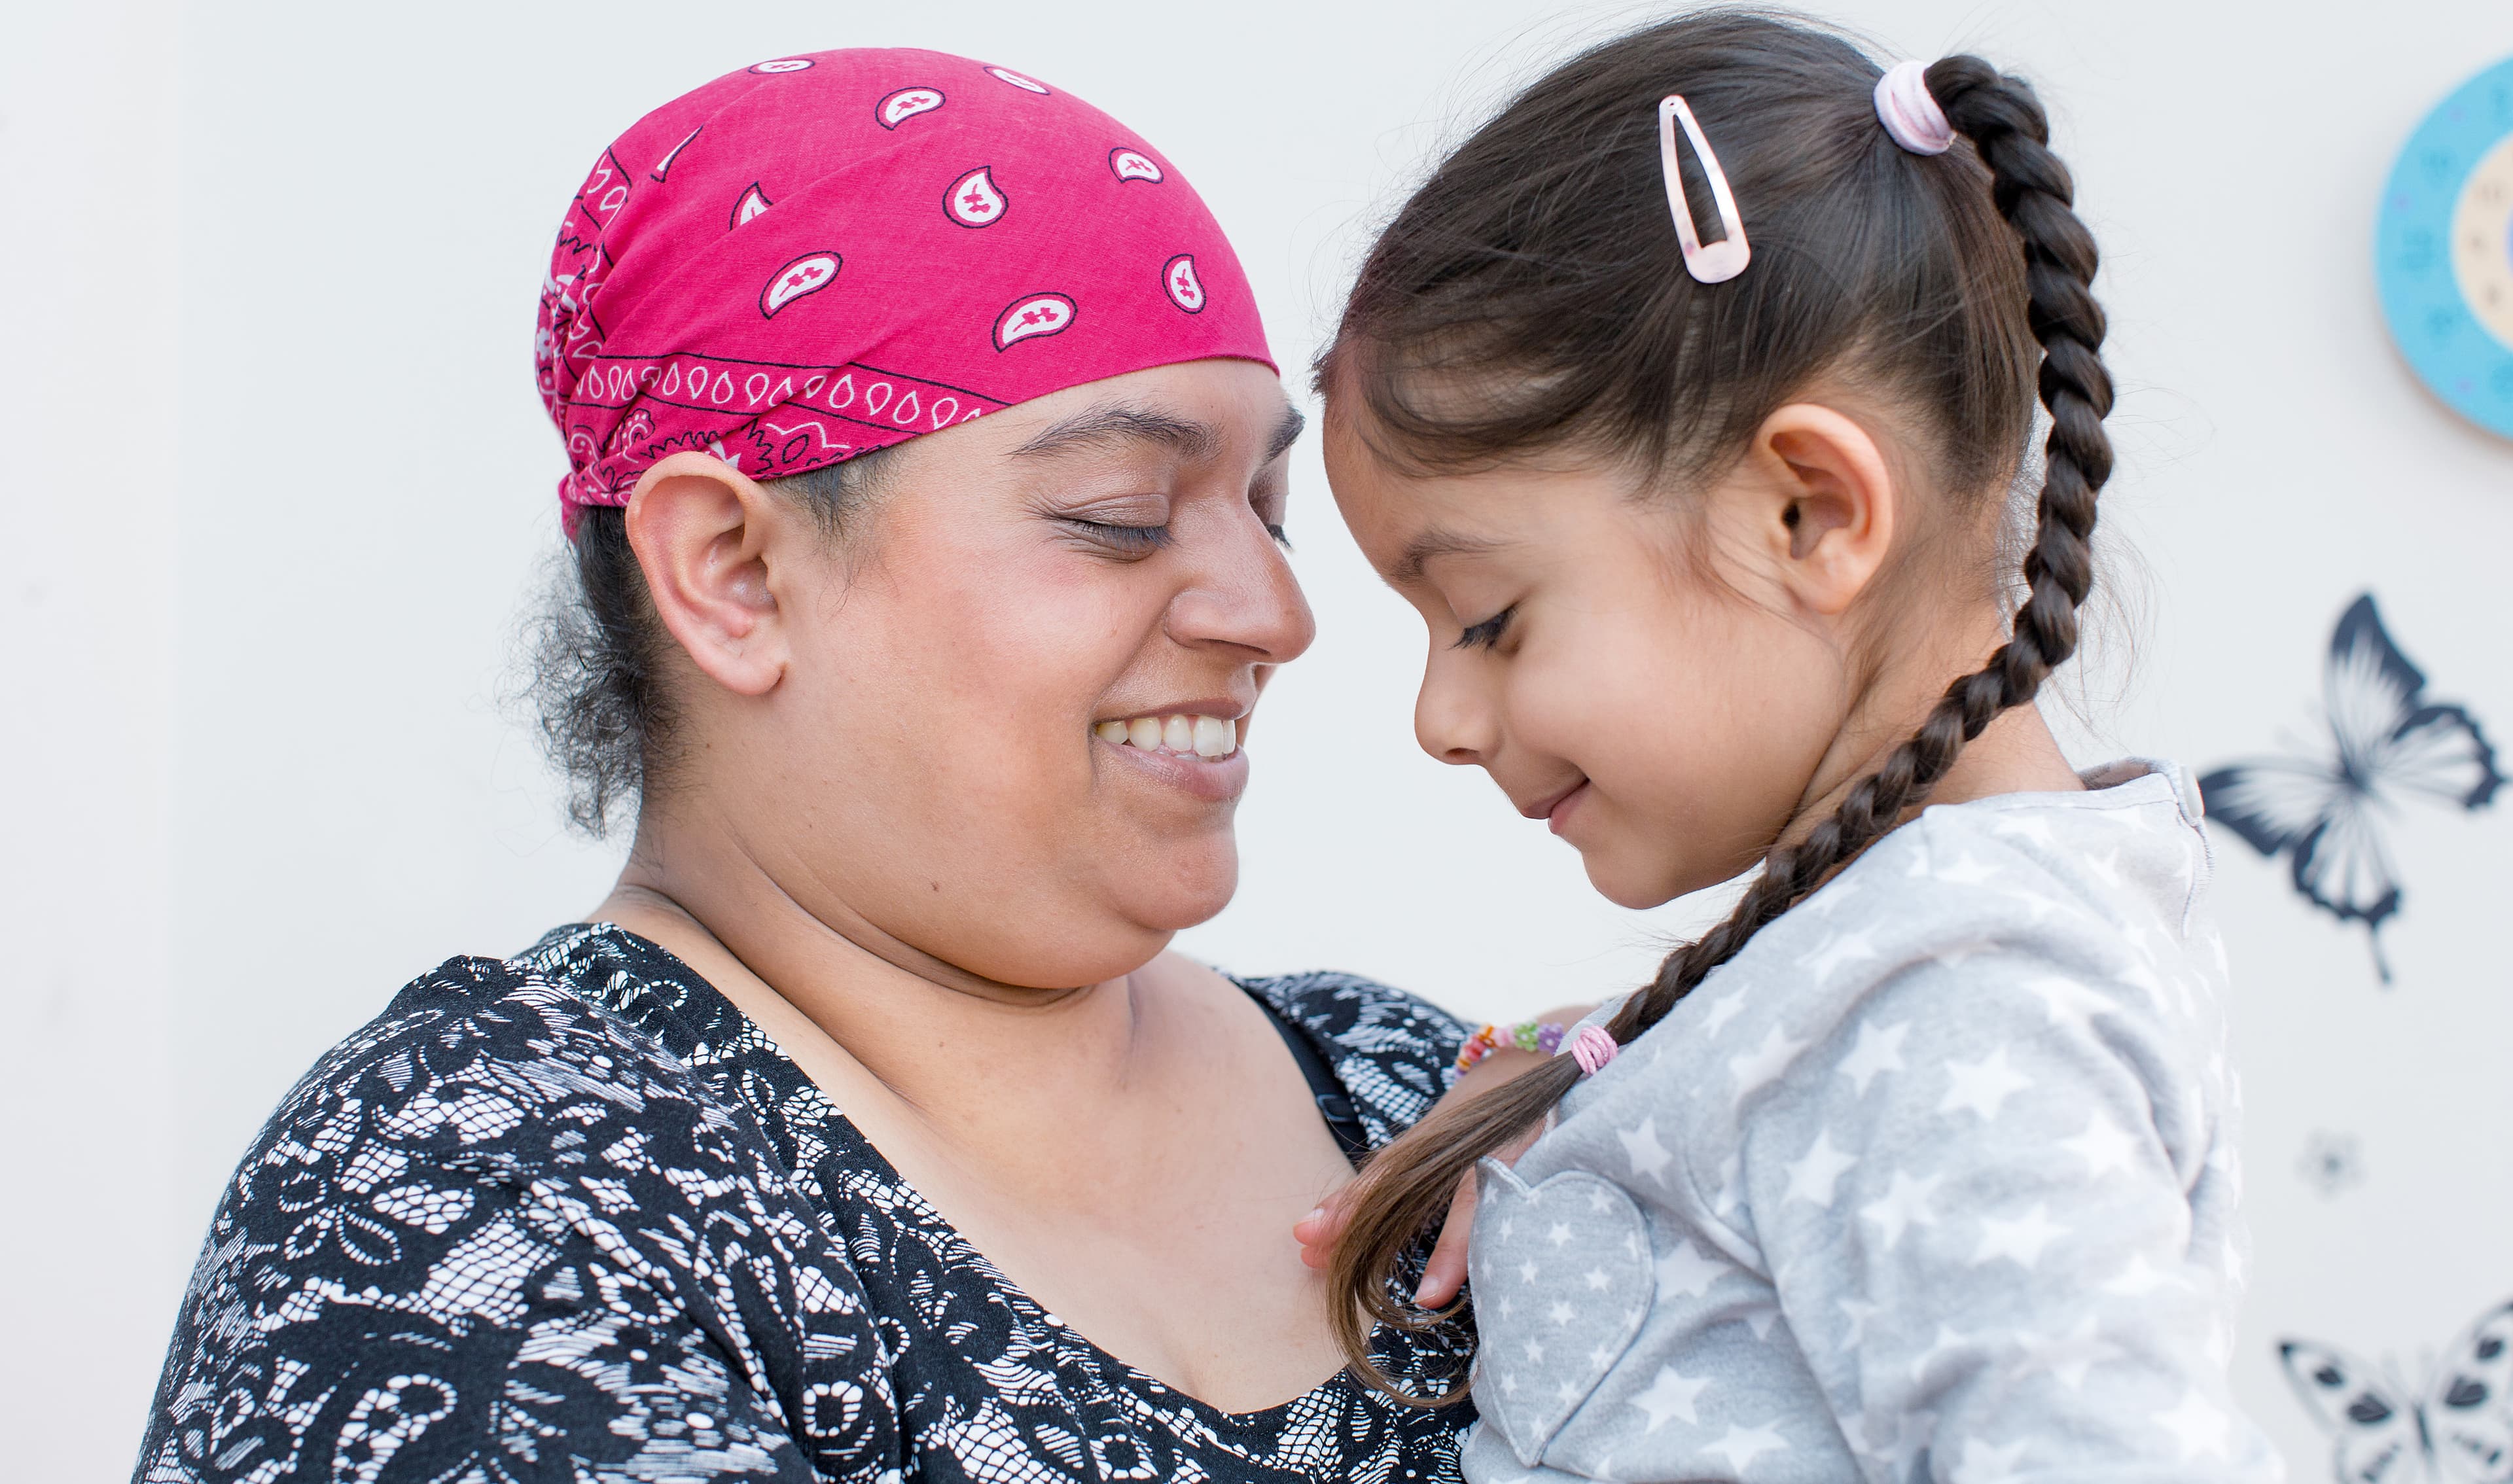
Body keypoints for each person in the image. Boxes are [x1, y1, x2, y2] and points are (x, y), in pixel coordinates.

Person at [136, 48, 1503, 1484]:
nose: (1277, 615)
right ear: (733, 573)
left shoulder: (1420, 1097)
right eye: (1124, 513)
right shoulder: (464, 1200)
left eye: (1268, 507)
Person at [1310, 12, 2282, 1480]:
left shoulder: (1960, 999)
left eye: (1489, 618)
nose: (1440, 723)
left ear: (1808, 516)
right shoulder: (1908, 971)